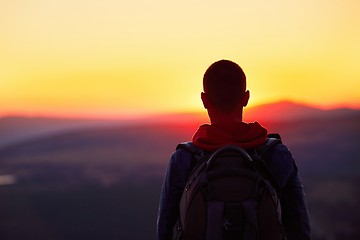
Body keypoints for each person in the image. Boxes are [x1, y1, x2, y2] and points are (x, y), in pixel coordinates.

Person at [157, 60, 310, 240]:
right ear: (246, 98)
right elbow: (300, 229)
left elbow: (164, 231)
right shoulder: (275, 155)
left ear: (204, 100)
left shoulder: (184, 159)